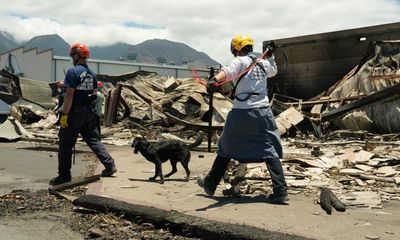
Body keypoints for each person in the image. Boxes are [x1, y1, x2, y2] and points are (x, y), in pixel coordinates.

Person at [197, 35, 288, 203]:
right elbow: (273, 71)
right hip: (262, 111)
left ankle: (210, 184)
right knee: (269, 148)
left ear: (237, 49)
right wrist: (270, 55)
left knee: (226, 147)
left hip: (241, 112)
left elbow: (228, 71)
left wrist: (214, 80)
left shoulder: (240, 61)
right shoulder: (264, 64)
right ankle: (280, 190)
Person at [49, 43, 117, 185]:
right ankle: (110, 164)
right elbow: (91, 91)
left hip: (74, 113)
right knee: (93, 139)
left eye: (72, 56)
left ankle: (64, 176)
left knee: (65, 144)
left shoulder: (72, 72)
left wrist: (65, 116)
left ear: (76, 55)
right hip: (88, 113)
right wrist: (66, 85)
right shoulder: (92, 74)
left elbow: (69, 96)